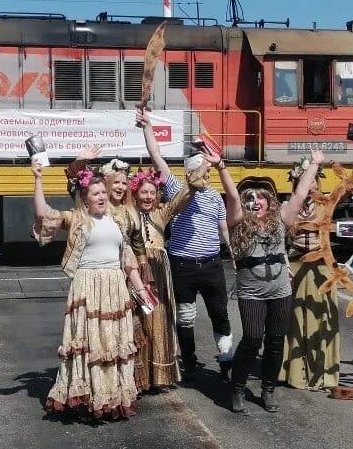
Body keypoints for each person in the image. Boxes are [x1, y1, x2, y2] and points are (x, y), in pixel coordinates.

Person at [32, 158, 150, 420]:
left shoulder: (116, 222)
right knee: (90, 344)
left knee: (112, 343)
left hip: (115, 286)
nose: (102, 197)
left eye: (103, 193)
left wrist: (141, 290)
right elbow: (43, 215)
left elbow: (128, 261)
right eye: (95, 193)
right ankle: (89, 398)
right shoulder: (76, 219)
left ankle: (112, 397)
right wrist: (38, 178)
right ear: (85, 198)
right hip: (87, 285)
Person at [215, 149, 324, 413]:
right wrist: (221, 167)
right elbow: (231, 196)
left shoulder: (280, 219)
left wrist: (314, 165)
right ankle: (238, 388)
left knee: (276, 340)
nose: (256, 201)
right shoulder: (238, 222)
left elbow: (299, 195)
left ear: (270, 201)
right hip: (251, 292)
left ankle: (268, 390)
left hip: (280, 290)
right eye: (250, 197)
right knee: (252, 338)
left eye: (261, 197)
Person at [136, 108, 235, 378]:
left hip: (212, 265)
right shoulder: (175, 189)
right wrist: (148, 126)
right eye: (204, 172)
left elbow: (222, 227)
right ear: (193, 173)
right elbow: (157, 156)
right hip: (183, 265)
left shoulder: (215, 197)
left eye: (209, 173)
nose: (207, 177)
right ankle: (189, 361)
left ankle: (226, 360)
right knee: (186, 316)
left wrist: (232, 252)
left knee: (220, 315)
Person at [127, 164, 208, 392]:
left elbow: (180, 199)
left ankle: (159, 375)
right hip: (135, 269)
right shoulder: (127, 214)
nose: (149, 197)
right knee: (137, 320)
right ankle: (137, 377)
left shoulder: (161, 213)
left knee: (158, 318)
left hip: (158, 271)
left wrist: (201, 170)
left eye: (152, 192)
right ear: (135, 193)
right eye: (144, 192)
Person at [280, 156, 341, 392]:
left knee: (321, 318)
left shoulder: (327, 204)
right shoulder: (287, 207)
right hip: (295, 265)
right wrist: (284, 264)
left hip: (323, 267)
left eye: (314, 181)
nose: (310, 186)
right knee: (295, 319)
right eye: (304, 181)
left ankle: (322, 374)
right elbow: (279, 241)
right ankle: (294, 373)